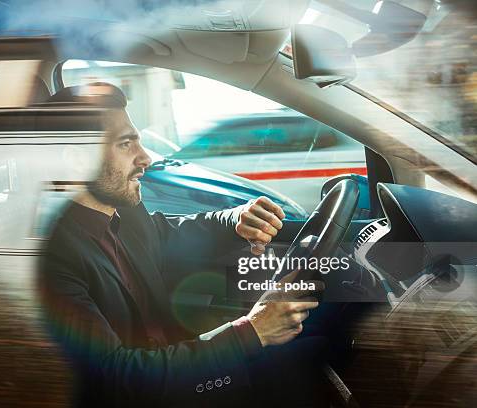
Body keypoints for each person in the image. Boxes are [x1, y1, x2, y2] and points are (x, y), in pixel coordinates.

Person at [38, 83, 322, 407]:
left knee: (316, 348)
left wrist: (237, 218)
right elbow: (116, 378)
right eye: (126, 144)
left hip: (182, 376)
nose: (144, 158)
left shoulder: (128, 217)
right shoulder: (53, 257)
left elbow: (179, 230)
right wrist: (252, 331)